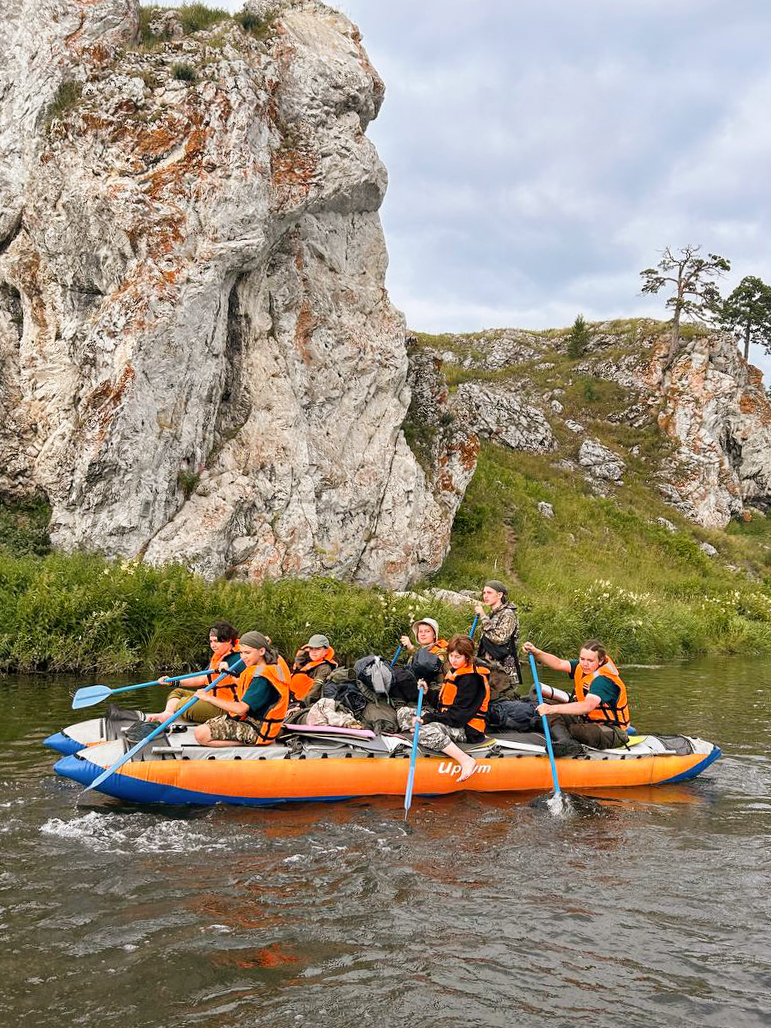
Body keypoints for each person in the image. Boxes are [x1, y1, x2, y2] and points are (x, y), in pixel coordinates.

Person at [396, 634, 490, 782]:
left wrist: (428, 719)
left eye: (458, 657)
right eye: (451, 655)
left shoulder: (472, 680)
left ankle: (465, 760)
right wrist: (427, 693)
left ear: (468, 657)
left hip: (467, 729)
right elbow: (444, 703)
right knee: (403, 711)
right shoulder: (455, 672)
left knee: (421, 729)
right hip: (449, 720)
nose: (453, 660)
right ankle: (426, 735)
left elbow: (458, 717)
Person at [522, 639, 631, 752]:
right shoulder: (582, 667)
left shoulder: (603, 680)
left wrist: (552, 709)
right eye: (582, 659)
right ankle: (565, 741)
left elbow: (587, 706)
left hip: (612, 730)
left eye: (590, 660)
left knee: (576, 730)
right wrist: (537, 652)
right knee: (545, 703)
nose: (585, 664)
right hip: (586, 720)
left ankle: (569, 743)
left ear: (600, 660)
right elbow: (558, 663)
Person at [194, 631, 291, 747]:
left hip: (258, 729)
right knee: (207, 724)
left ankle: (247, 743)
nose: (243, 657)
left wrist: (207, 697)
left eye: (247, 653)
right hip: (248, 719)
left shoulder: (263, 679)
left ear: (261, 651)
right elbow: (242, 682)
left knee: (200, 734)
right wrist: (228, 673)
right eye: (241, 652)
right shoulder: (266, 665)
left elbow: (241, 709)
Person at [146, 621, 243, 724]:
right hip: (211, 697)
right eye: (211, 641)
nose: (213, 645)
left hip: (226, 707)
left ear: (229, 641)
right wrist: (173, 681)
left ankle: (178, 710)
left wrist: (230, 673)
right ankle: (168, 714)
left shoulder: (240, 658)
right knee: (177, 692)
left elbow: (248, 682)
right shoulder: (218, 656)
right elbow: (202, 678)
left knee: (183, 704)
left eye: (216, 641)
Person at [475, 580, 522, 697]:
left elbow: (499, 637)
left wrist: (483, 616)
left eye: (489, 592)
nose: (485, 596)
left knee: (505, 703)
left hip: (505, 672)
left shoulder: (508, 614)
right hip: (490, 668)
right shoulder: (493, 614)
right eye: (484, 593)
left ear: (500, 595)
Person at [290, 633, 338, 703]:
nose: (313, 652)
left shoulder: (325, 668)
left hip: (304, 703)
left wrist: (301, 705)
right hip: (292, 698)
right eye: (311, 649)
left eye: (318, 649)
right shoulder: (307, 662)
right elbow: (298, 667)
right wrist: (303, 651)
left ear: (326, 651)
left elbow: (316, 689)